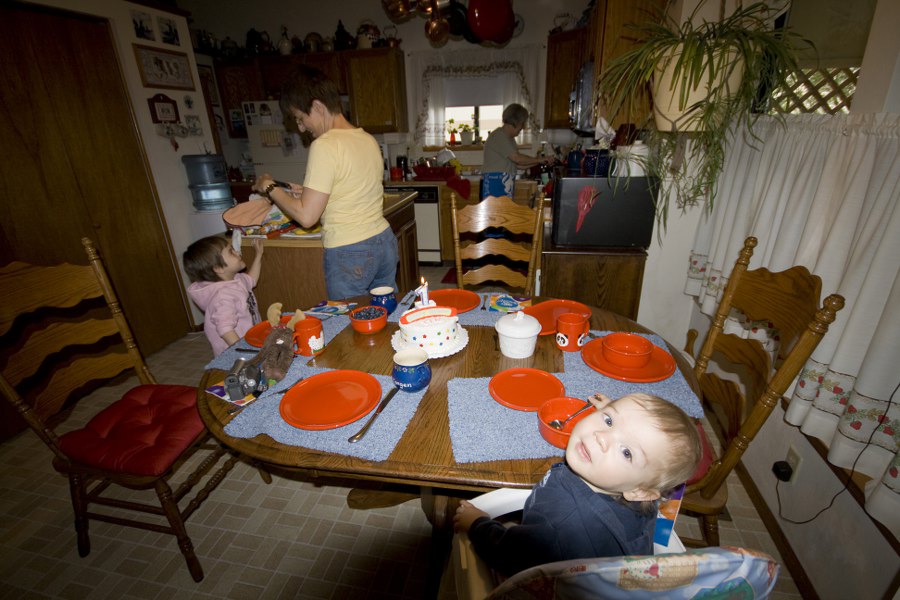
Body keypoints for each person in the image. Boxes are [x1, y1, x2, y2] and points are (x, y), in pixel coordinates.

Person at [453, 392, 702, 577]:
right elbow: (631, 439)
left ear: (640, 492)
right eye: (608, 421)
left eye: (626, 452)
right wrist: (614, 414)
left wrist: (477, 524)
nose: (601, 437)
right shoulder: (640, 490)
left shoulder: (560, 522)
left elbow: (509, 555)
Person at [252, 66, 397, 301]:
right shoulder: (367, 139)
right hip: (383, 241)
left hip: (350, 250)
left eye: (301, 118)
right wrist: (306, 191)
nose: (301, 127)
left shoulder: (325, 144)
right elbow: (349, 186)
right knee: (384, 314)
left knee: (349, 325)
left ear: (318, 107)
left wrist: (269, 186)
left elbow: (307, 217)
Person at [183, 235, 264, 356]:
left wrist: (258, 255)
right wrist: (245, 352)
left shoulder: (236, 279)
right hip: (235, 352)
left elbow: (251, 279)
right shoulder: (222, 296)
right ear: (218, 268)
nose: (237, 252)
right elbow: (225, 329)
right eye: (231, 252)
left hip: (249, 342)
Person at [481, 103, 555, 196]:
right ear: (515, 122)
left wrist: (542, 161)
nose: (522, 128)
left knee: (504, 211)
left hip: (503, 183)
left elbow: (519, 165)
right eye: (522, 124)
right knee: (497, 211)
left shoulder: (509, 138)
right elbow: (517, 159)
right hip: (495, 183)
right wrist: (540, 159)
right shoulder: (499, 136)